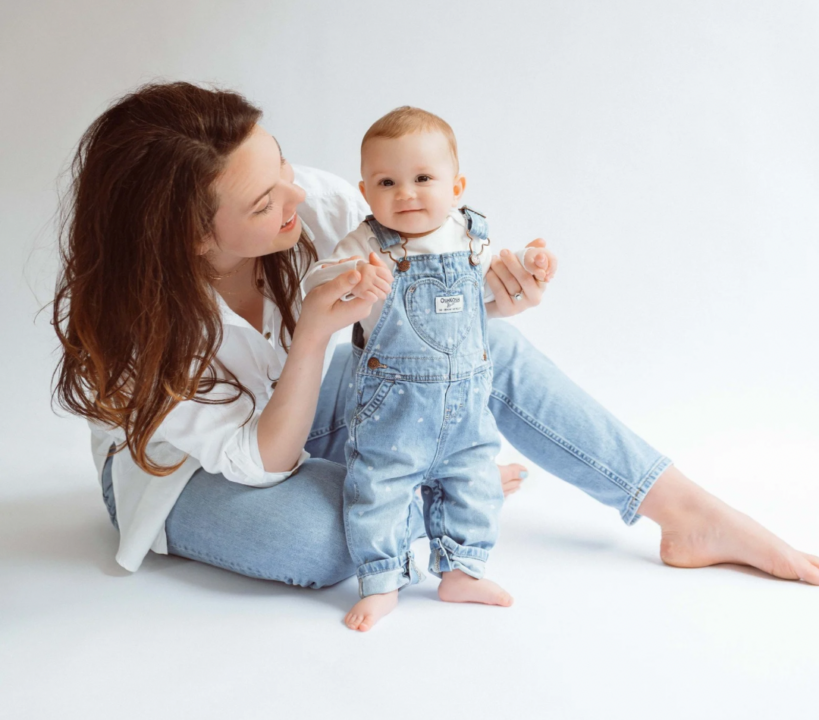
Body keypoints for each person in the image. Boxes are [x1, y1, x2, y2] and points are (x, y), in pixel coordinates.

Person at [52, 82, 819, 631]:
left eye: (278, 164)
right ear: (192, 238)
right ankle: (449, 490)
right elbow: (265, 463)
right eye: (262, 203)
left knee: (488, 349)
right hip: (189, 476)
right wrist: (315, 333)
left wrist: (490, 301)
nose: (294, 193)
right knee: (314, 541)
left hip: (309, 401)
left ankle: (686, 514)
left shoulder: (311, 206)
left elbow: (427, 309)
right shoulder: (132, 341)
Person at [303, 105, 557, 630]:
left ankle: (463, 570)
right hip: (391, 408)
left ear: (456, 184)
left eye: (423, 178)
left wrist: (530, 264)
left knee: (475, 485)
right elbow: (318, 281)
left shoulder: (472, 238)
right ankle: (381, 580)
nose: (406, 193)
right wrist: (351, 277)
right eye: (387, 181)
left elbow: (496, 283)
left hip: (467, 405)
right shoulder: (369, 244)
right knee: (378, 488)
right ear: (366, 191)